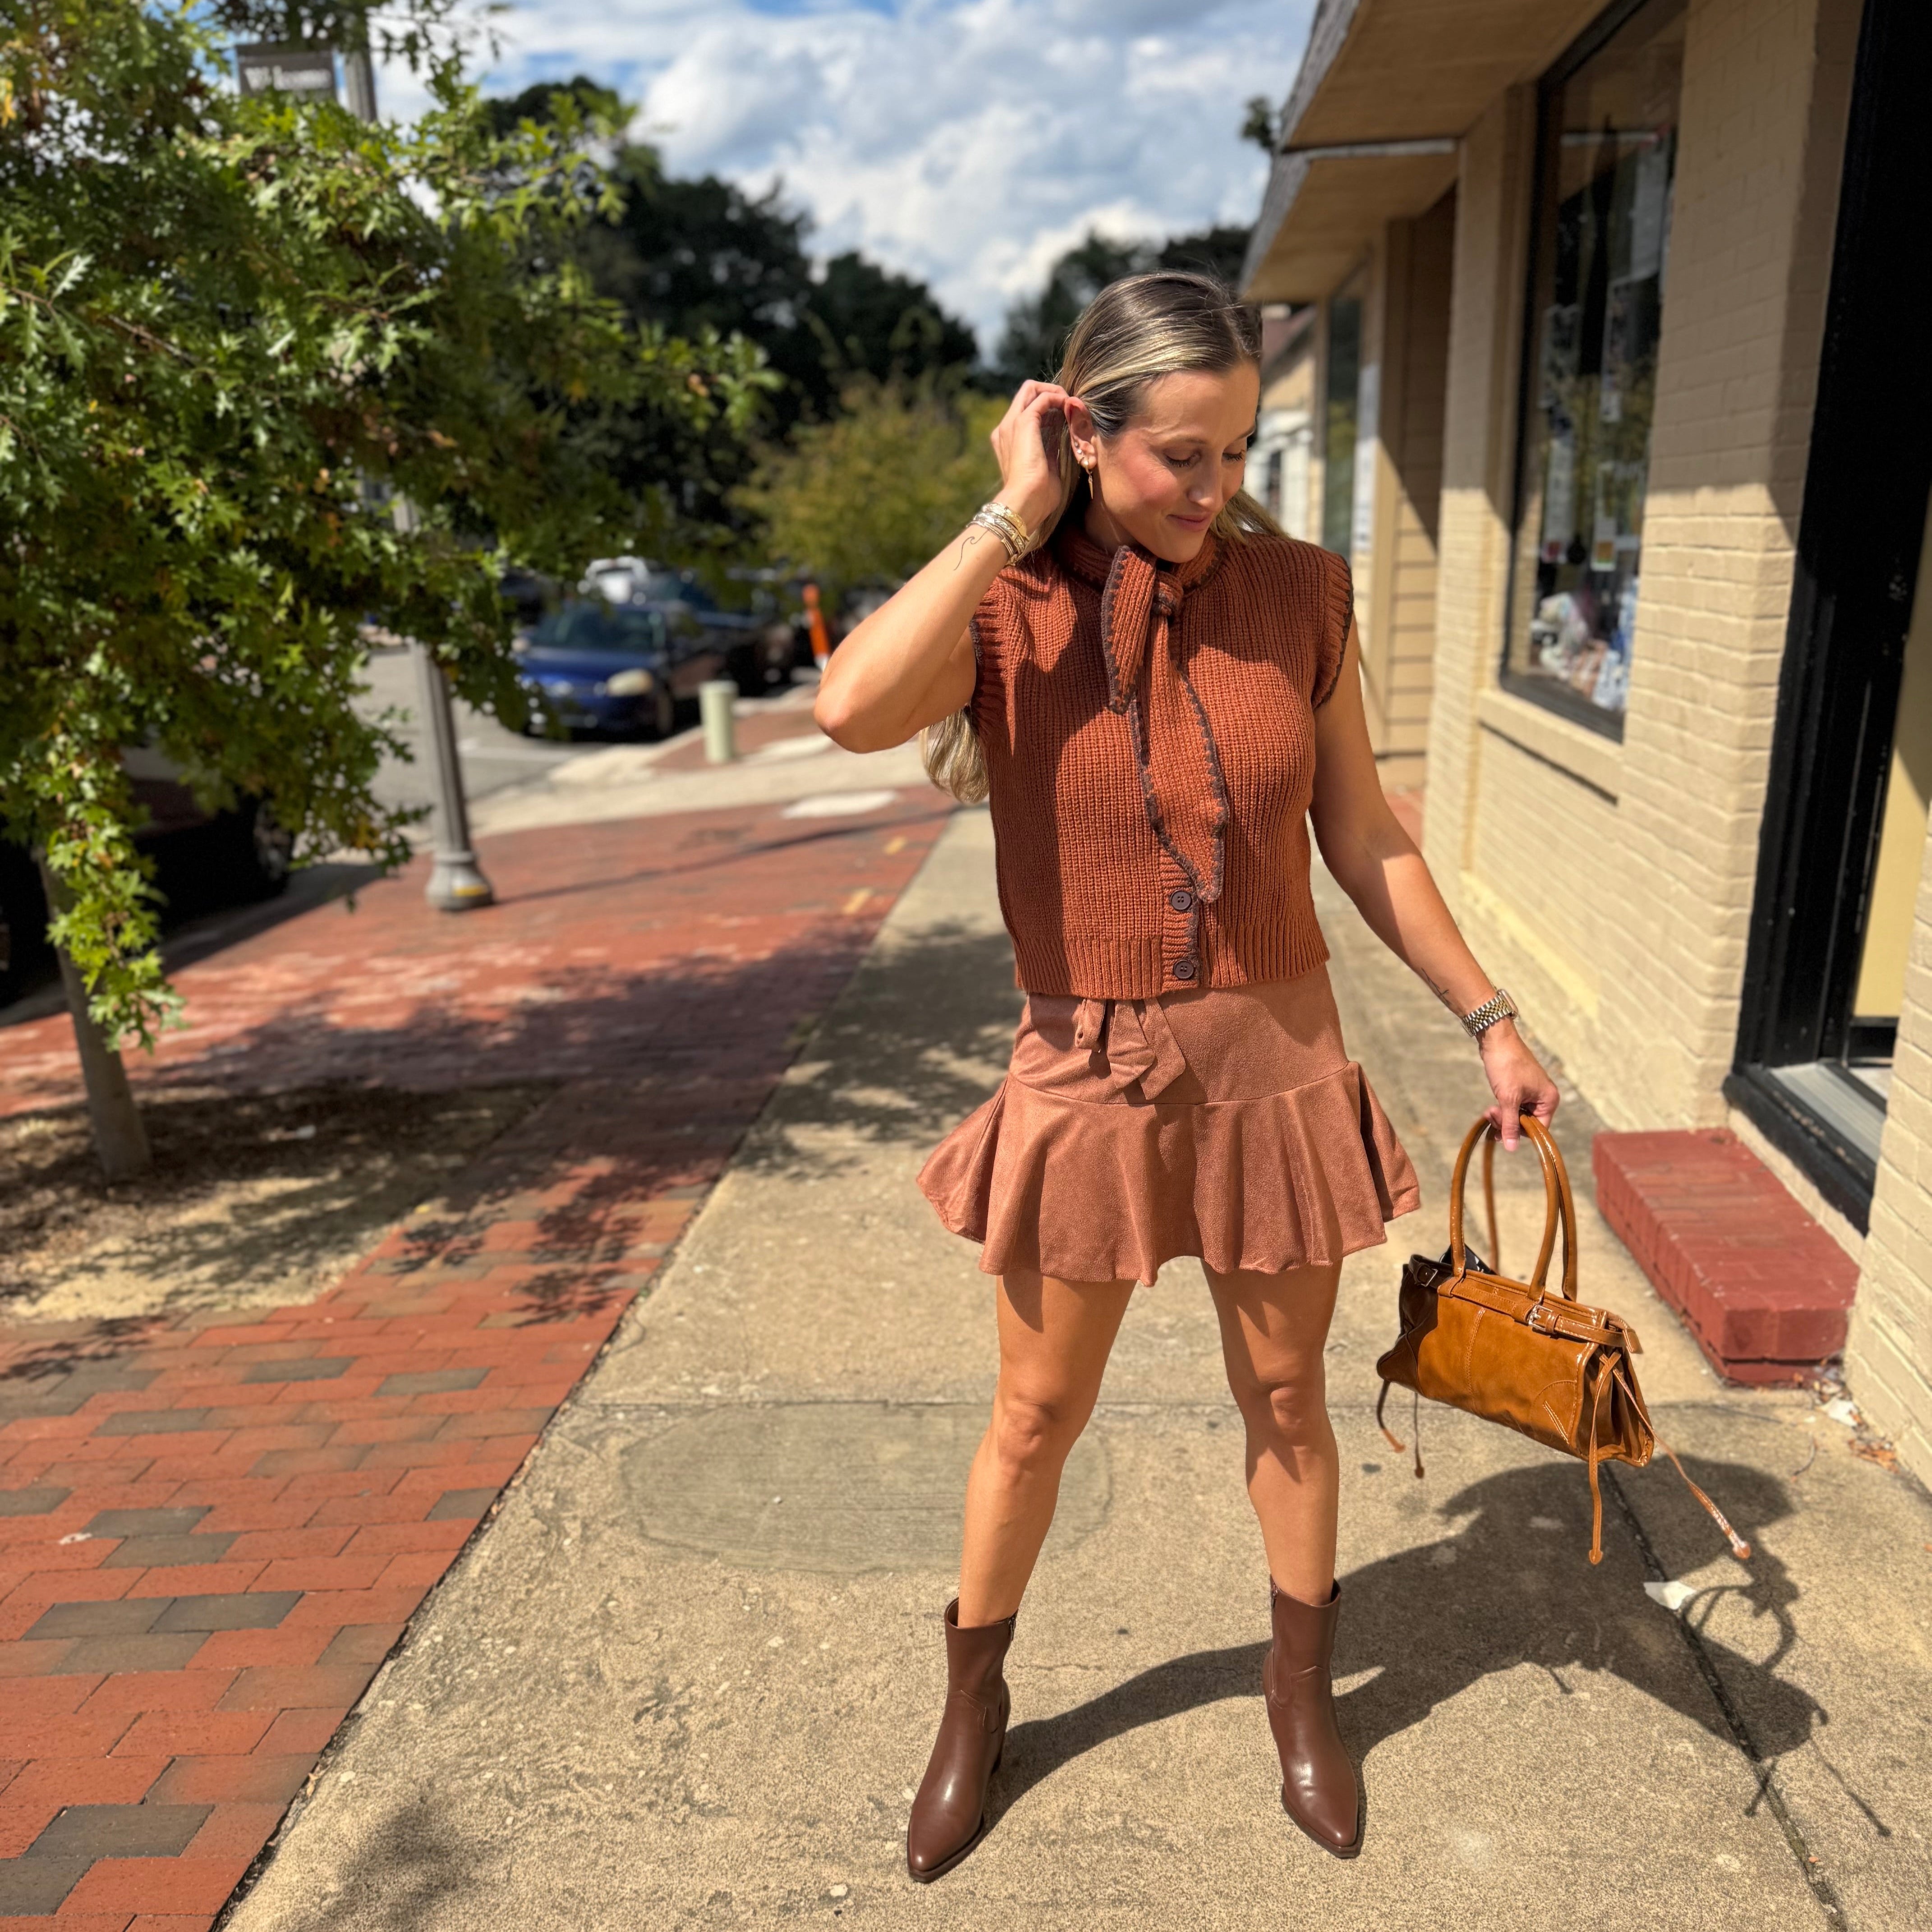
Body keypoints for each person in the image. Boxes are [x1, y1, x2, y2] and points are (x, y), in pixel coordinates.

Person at [814, 271, 1559, 1876]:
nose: (1214, 489)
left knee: (1286, 1394)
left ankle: (1301, 1693)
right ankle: (971, 1703)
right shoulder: (1007, 606)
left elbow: (1364, 836)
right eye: (1180, 454)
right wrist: (1007, 514)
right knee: (1033, 1413)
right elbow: (849, 707)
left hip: (1274, 1058)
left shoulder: (1300, 594)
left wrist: (1487, 1014)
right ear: (1083, 435)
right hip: (1084, 1063)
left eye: (1233, 452)